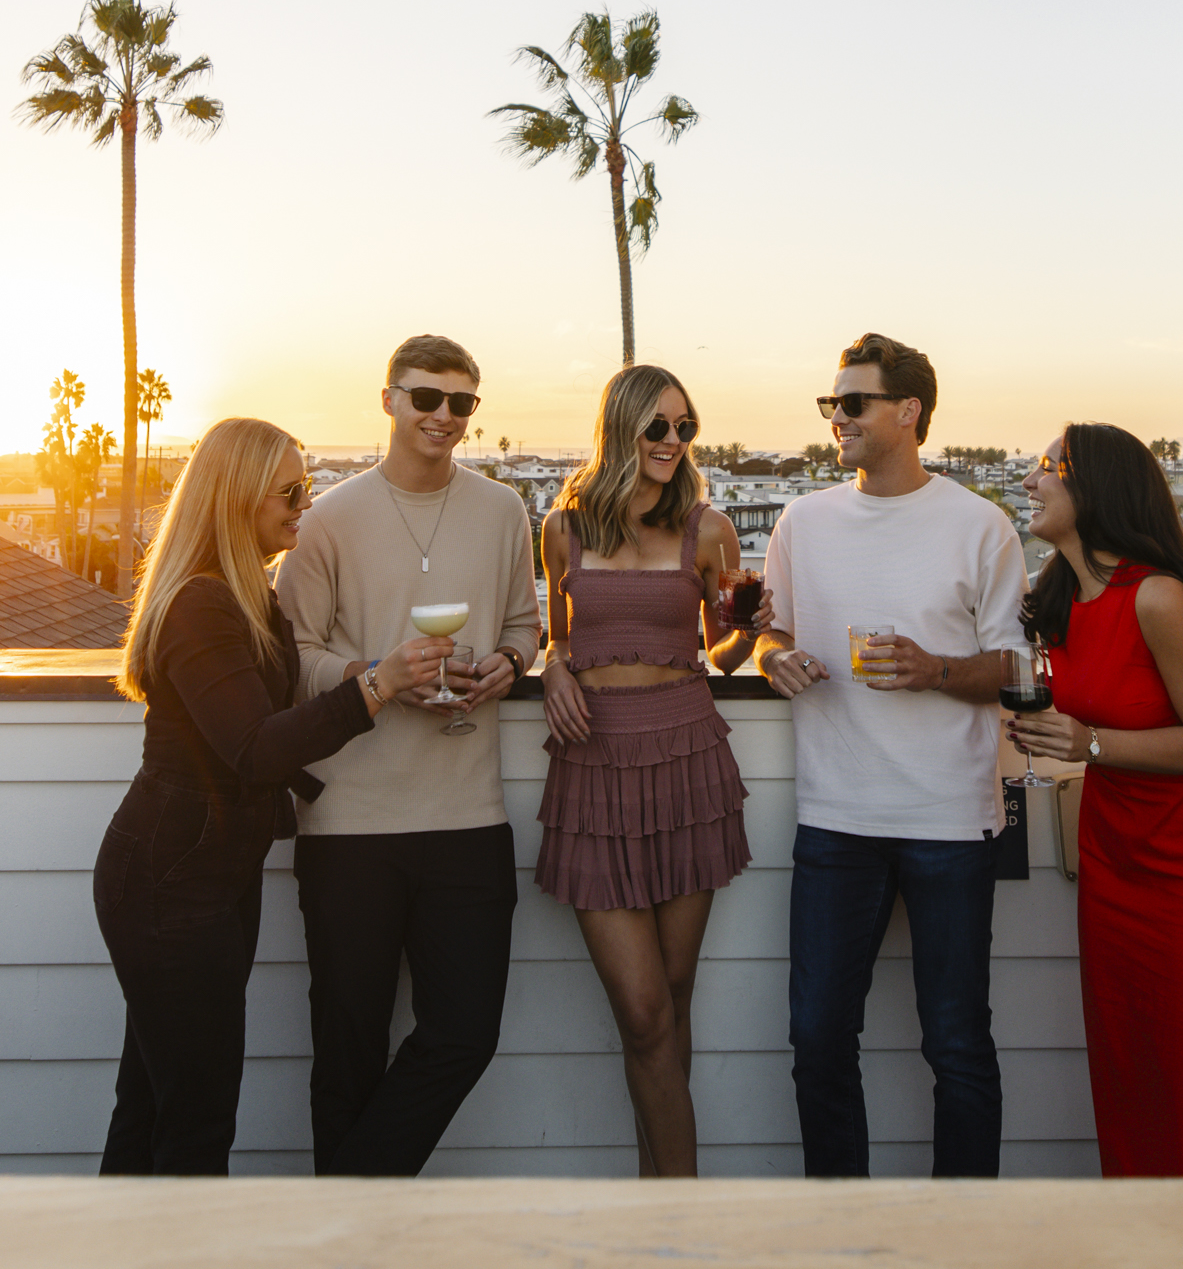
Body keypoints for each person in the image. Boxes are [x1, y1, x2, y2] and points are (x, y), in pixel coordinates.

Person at [93, 416, 431, 1175]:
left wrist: (364, 676)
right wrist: (376, 686)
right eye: (288, 491)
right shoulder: (203, 605)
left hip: (200, 875)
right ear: (239, 496)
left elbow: (266, 717)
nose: (301, 505)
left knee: (155, 1101)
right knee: (196, 1117)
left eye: (305, 487)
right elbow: (255, 749)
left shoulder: (243, 594)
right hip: (170, 883)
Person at [752, 331, 1027, 1178]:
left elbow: (1013, 666)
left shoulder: (981, 525)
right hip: (836, 817)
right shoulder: (804, 520)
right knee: (818, 1037)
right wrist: (774, 660)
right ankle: (848, 1227)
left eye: (854, 402)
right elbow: (771, 633)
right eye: (831, 403)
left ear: (909, 413)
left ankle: (960, 1233)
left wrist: (935, 668)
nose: (838, 417)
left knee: (956, 1044)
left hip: (950, 818)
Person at [275, 335, 540, 1175]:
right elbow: (294, 657)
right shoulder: (327, 518)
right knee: (345, 1043)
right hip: (349, 823)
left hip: (468, 817)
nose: (444, 418)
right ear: (388, 399)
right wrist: (376, 678)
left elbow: (525, 629)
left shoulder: (502, 512)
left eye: (462, 404)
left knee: (464, 1034)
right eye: (427, 398)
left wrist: (510, 663)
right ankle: (351, 1251)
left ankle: (346, 1200)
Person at [1007, 422, 1183, 1177]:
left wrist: (1088, 744)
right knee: (1130, 1075)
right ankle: (1146, 1253)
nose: (1029, 482)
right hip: (1116, 866)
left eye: (1045, 467)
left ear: (1095, 487)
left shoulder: (1158, 597)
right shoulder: (1058, 599)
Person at [534, 363, 765, 1176]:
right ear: (621, 427)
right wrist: (555, 669)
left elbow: (723, 650)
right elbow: (558, 638)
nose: (673, 442)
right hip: (593, 770)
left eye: (685, 428)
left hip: (685, 759)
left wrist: (751, 629)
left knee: (671, 1000)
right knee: (642, 1012)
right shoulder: (563, 528)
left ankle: (660, 1197)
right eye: (658, 426)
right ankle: (678, 1205)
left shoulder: (708, 529)